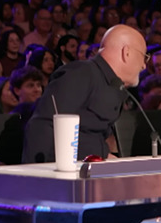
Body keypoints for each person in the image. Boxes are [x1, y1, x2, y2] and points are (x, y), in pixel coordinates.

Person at [22, 25, 148, 163]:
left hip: (89, 165)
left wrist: (104, 156)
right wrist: (37, 171)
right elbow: (43, 124)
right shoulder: (81, 74)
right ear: (126, 52)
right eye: (143, 56)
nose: (144, 65)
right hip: (61, 170)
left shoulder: (113, 85)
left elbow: (89, 137)